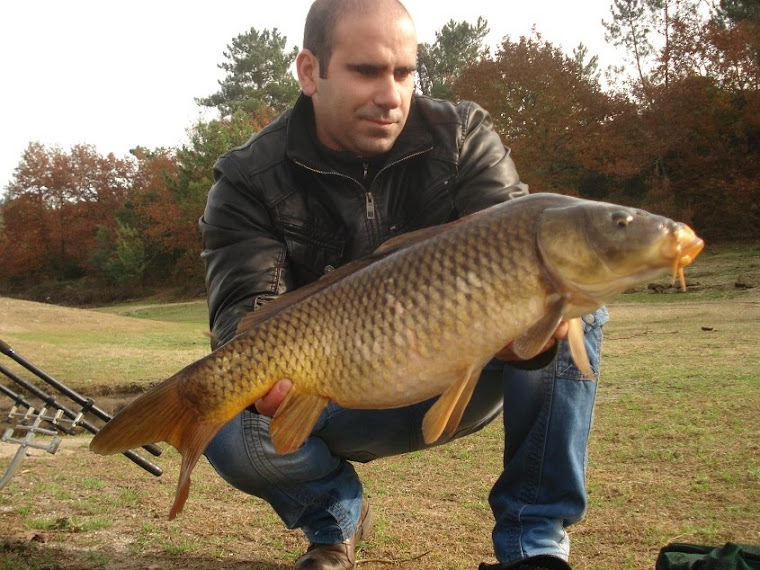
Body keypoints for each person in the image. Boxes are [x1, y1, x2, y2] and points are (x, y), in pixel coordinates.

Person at [199, 0, 607, 568]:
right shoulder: (248, 179)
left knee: (568, 300)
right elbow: (246, 313)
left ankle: (534, 542)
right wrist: (280, 379)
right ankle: (335, 521)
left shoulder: (462, 135)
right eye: (366, 71)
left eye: (404, 72)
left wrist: (531, 332)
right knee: (226, 426)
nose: (391, 96)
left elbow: (522, 236)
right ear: (310, 71)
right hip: (344, 384)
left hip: (468, 371)